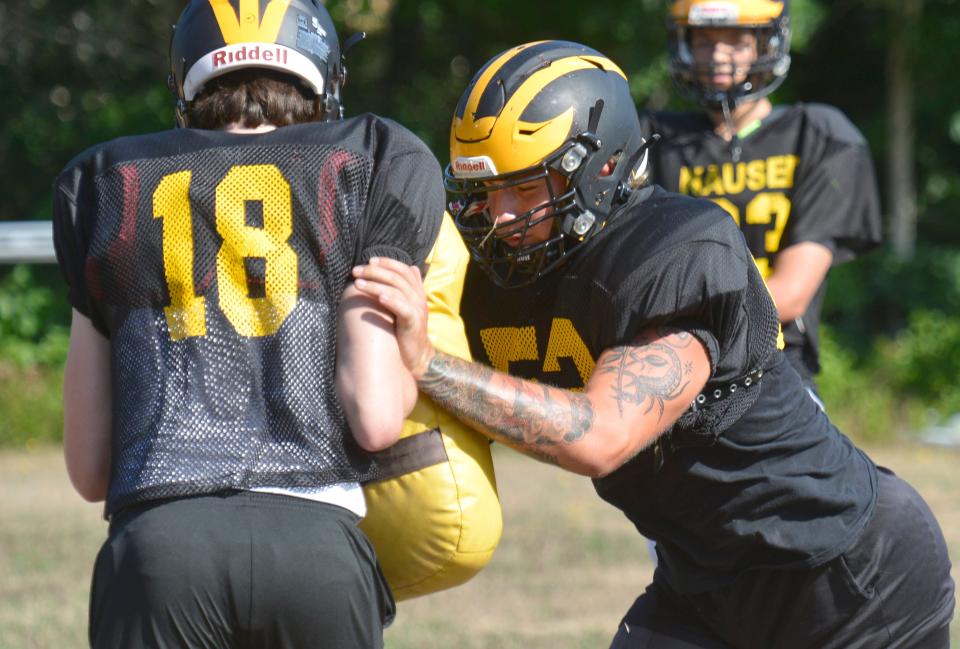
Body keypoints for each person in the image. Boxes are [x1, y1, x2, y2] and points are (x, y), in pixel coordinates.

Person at [351, 40, 954, 648]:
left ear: (602, 166)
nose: (500, 218)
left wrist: (428, 362)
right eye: (485, 192)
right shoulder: (485, 277)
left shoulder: (677, 249)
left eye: (527, 188)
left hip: (852, 577)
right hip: (703, 579)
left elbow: (600, 437)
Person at [52, 1, 445, 647]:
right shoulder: (371, 159)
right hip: (316, 549)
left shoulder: (106, 182)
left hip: (161, 547)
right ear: (322, 71)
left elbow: (90, 468)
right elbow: (375, 418)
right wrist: (414, 353)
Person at [641, 0, 882, 398]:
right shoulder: (653, 138)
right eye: (704, 41)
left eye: (736, 40)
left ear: (764, 45)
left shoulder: (816, 135)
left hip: (774, 364)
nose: (717, 55)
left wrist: (674, 315)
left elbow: (789, 295)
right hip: (672, 367)